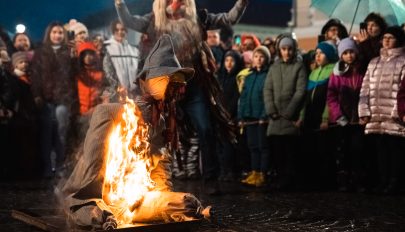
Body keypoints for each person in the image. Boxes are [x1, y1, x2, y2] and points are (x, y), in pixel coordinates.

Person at [59, 34, 210, 230]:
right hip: (99, 197)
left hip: (133, 199)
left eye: (180, 83)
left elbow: (160, 166)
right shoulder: (111, 113)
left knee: (186, 205)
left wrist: (162, 198)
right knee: (95, 213)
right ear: (153, 81)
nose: (179, 89)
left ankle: (117, 213)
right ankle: (100, 216)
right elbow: (92, 166)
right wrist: (90, 201)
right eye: (172, 82)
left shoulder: (161, 121)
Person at [115, 0, 248, 193]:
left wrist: (241, 4)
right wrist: (119, 5)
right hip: (165, 88)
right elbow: (130, 22)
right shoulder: (154, 21)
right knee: (159, 132)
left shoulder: (198, 18)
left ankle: (210, 178)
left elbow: (228, 18)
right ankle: (155, 178)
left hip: (193, 87)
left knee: (205, 129)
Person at [358, 26, 405, 195]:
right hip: (375, 116)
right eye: (384, 37)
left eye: (390, 37)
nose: (386, 40)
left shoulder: (403, 61)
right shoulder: (374, 62)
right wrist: (364, 111)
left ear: (398, 40)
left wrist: (398, 113)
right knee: (380, 151)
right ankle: (383, 180)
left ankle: (395, 182)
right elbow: (365, 89)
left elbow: (402, 90)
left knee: (395, 151)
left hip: (393, 117)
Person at [31, 21, 75, 177]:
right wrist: (36, 94)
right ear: (49, 34)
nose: (57, 35)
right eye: (54, 32)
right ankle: (48, 167)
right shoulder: (41, 52)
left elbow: (73, 76)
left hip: (63, 99)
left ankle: (60, 165)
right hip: (46, 99)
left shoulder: (68, 52)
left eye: (60, 32)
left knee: (61, 132)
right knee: (47, 132)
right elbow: (35, 75)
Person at [264, 34, 307, 191]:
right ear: (279, 50)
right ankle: (280, 177)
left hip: (290, 117)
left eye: (289, 49)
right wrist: (271, 109)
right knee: (277, 151)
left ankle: (289, 180)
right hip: (275, 117)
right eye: (283, 49)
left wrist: (290, 111)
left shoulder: (299, 67)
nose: (287, 52)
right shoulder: (274, 67)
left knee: (290, 151)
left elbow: (300, 91)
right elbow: (267, 89)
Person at [327, 38, 365, 192]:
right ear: (340, 55)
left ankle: (358, 179)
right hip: (343, 119)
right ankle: (344, 179)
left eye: (351, 52)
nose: (349, 55)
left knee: (358, 150)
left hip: (358, 119)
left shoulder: (362, 71)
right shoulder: (337, 74)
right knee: (343, 150)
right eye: (345, 53)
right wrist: (338, 115)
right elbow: (331, 97)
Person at [300, 41, 338, 189]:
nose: (318, 56)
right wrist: (301, 116)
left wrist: (325, 117)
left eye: (321, 53)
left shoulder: (333, 71)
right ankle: (312, 179)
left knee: (325, 150)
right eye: (316, 53)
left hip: (322, 118)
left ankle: (326, 181)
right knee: (311, 149)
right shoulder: (313, 73)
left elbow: (330, 97)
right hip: (310, 116)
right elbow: (306, 98)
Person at [238, 45, 271, 187]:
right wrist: (241, 116)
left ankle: (263, 173)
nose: (258, 59)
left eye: (262, 56)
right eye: (256, 56)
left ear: (266, 59)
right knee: (252, 146)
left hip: (261, 118)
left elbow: (267, 97)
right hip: (249, 117)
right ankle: (254, 172)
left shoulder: (268, 75)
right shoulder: (249, 77)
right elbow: (243, 98)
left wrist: (265, 114)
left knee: (263, 146)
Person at [103, 19, 139, 100]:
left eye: (122, 29)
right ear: (113, 31)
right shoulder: (107, 49)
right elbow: (108, 73)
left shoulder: (134, 50)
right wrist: (118, 88)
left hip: (133, 94)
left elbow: (139, 71)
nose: (120, 32)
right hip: (116, 95)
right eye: (117, 30)